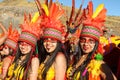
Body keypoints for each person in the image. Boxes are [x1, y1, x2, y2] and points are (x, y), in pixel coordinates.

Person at [67, 1, 117, 80]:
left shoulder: (98, 64)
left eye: (91, 41)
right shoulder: (75, 58)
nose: (86, 44)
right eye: (83, 40)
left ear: (96, 44)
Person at [36, 2, 68, 80]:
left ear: (58, 42)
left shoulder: (59, 57)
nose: (48, 44)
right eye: (46, 40)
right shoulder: (47, 55)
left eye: (52, 40)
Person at [5, 14, 42, 80]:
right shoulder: (15, 58)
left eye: (27, 44)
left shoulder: (34, 60)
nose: (23, 47)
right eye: (21, 44)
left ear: (32, 46)